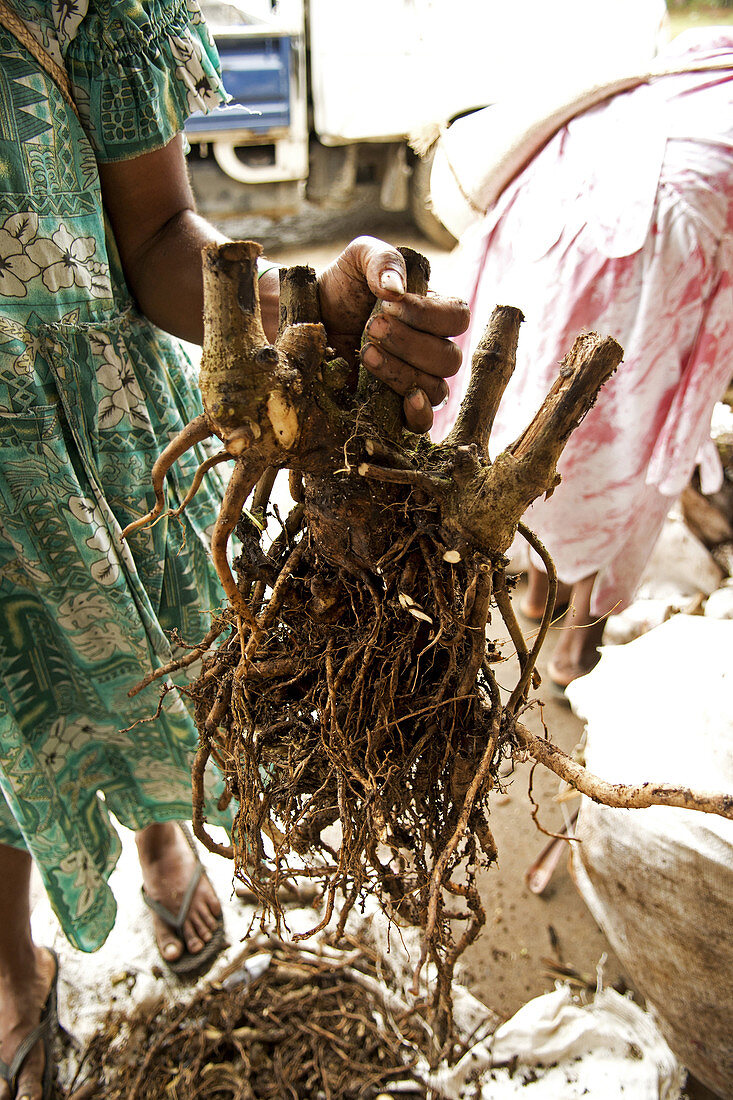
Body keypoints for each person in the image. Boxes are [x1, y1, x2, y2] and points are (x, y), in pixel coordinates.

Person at [0, 3, 469, 1097]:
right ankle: (13, 970)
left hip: (97, 438)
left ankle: (166, 841)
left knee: (161, 658)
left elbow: (158, 234)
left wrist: (293, 314)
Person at [432, 28, 733, 690]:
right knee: (618, 437)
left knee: (551, 402)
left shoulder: (688, 69)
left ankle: (542, 598)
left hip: (563, 204)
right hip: (656, 235)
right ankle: (575, 654)